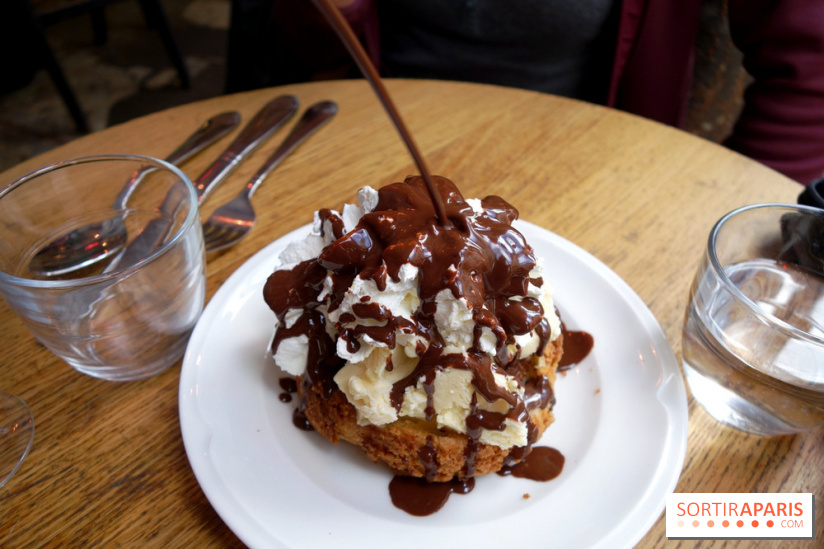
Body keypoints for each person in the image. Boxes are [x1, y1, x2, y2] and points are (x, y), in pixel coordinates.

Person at [228, 0, 824, 185]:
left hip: (594, 163)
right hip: (365, 136)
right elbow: (314, 44)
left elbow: (810, 64)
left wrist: (750, 235)